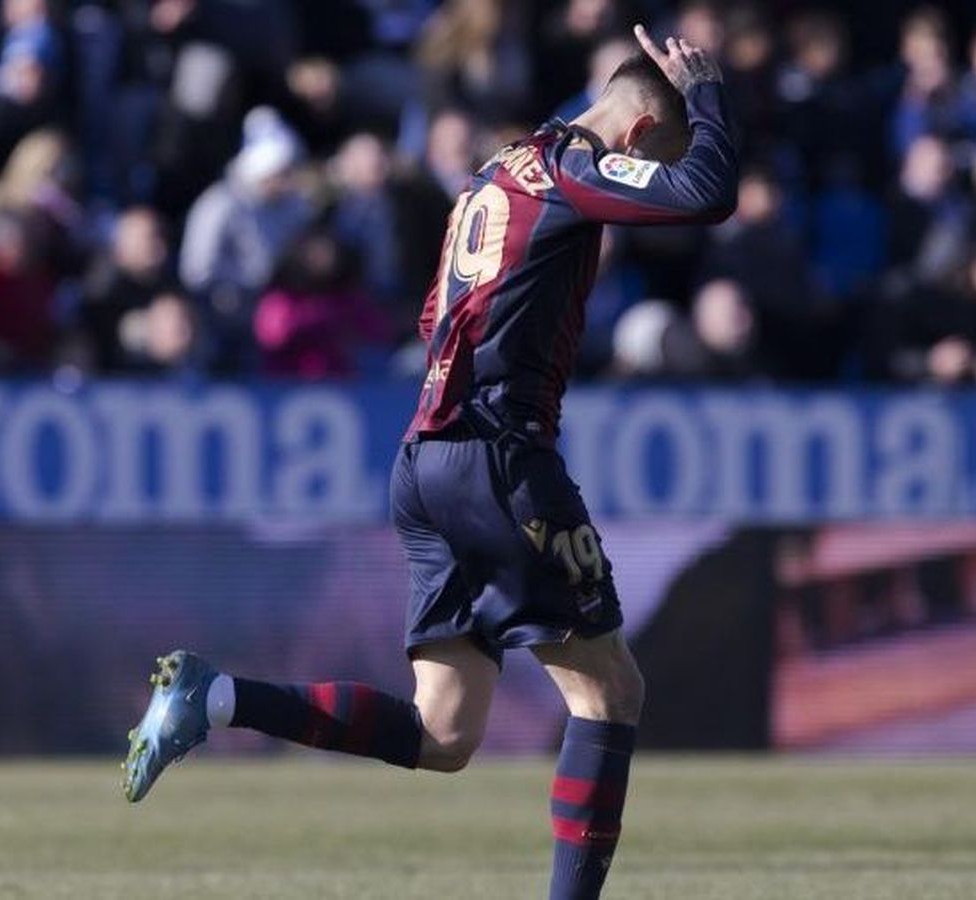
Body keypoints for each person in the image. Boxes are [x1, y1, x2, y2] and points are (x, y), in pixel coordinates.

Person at [121, 25, 737, 900]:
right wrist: (708, 97)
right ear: (638, 137)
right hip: (500, 457)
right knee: (610, 694)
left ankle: (215, 697)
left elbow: (433, 318)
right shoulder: (575, 168)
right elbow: (706, 193)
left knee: (443, 735)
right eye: (659, 153)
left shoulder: (497, 172)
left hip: (424, 459)